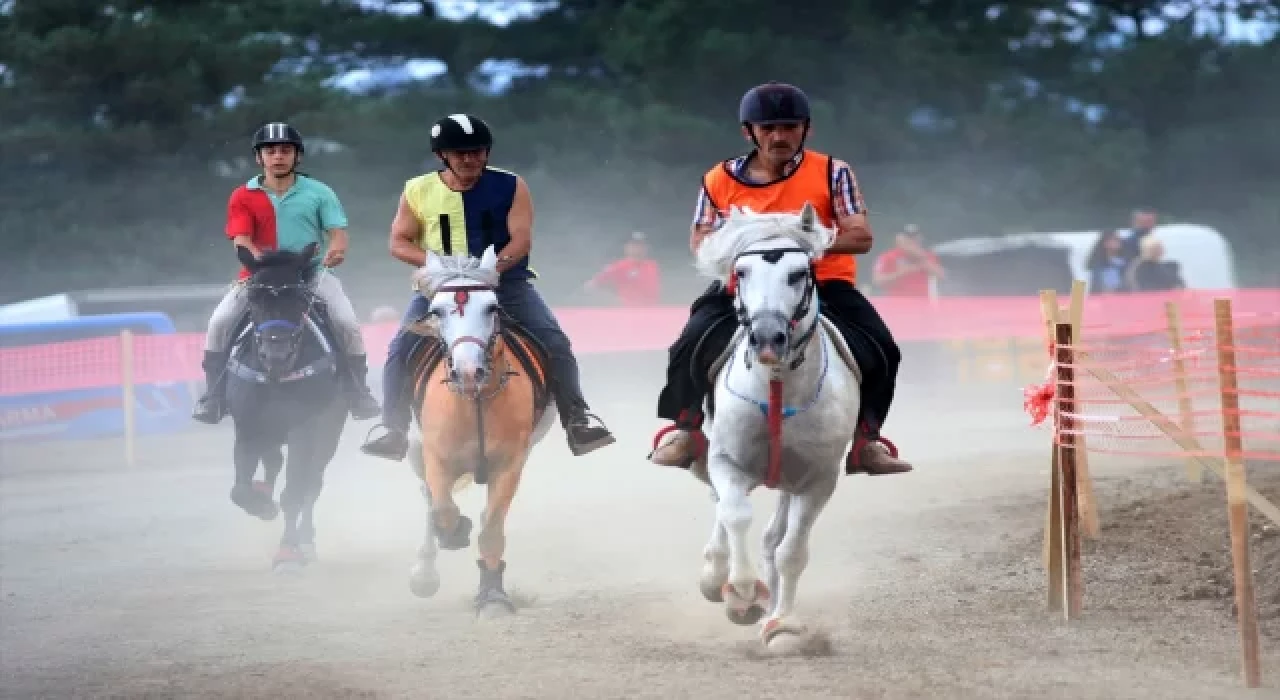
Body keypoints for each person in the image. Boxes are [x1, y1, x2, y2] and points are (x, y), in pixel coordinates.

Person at [649, 82, 913, 476]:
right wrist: (749, 249)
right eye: (768, 127)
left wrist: (802, 245)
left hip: (824, 285)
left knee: (883, 348)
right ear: (749, 132)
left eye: (790, 127)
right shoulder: (718, 179)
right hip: (745, 287)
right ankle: (686, 428)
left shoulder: (832, 172)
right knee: (690, 341)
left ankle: (867, 440)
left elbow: (860, 235)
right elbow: (701, 239)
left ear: (806, 129)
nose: (779, 136)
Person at [359, 113, 616, 461]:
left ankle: (577, 419)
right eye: (461, 152)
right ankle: (392, 429)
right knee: (401, 347)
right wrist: (434, 266)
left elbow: (521, 239)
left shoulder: (512, 185)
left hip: (506, 284)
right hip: (441, 289)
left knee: (553, 339)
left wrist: (492, 270)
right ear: (441, 156)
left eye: (478, 151)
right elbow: (398, 242)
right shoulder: (416, 190)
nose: (470, 159)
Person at [192, 122, 380, 424]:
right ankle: (212, 396)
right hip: (259, 276)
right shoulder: (242, 195)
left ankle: (358, 391)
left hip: (310, 273)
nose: (278, 156)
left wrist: (338, 249)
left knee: (346, 321)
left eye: (285, 150)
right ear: (259, 158)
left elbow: (337, 232)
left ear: (297, 156)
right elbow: (241, 238)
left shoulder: (319, 192)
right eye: (270, 151)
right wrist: (264, 267)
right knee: (220, 322)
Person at [583, 232, 662, 306]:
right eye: (634, 245)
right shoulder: (618, 266)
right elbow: (591, 285)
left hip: (652, 312)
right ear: (626, 247)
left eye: (641, 245)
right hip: (628, 313)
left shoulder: (653, 265)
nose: (638, 248)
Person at [871, 224, 946, 297]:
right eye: (909, 237)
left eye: (915, 237)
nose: (912, 240)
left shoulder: (927, 255)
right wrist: (903, 272)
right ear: (900, 239)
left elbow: (941, 275)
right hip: (897, 302)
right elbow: (878, 280)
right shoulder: (887, 256)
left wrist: (921, 258)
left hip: (922, 302)